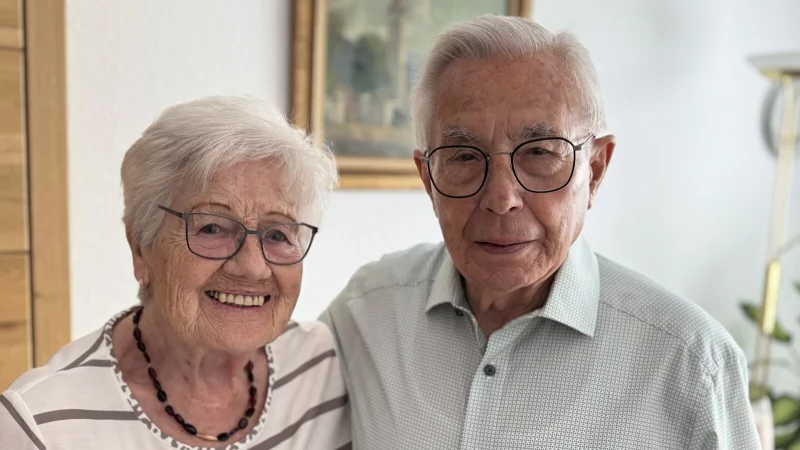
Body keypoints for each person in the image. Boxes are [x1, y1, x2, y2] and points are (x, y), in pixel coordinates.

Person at [320, 15, 761, 449]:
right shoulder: (367, 315)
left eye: (539, 151)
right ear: (427, 177)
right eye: (464, 156)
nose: (501, 196)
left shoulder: (690, 364)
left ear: (596, 169)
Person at [0, 96, 351, 449]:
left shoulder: (325, 370)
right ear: (141, 248)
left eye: (277, 234)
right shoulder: (42, 424)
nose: (252, 267)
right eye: (212, 228)